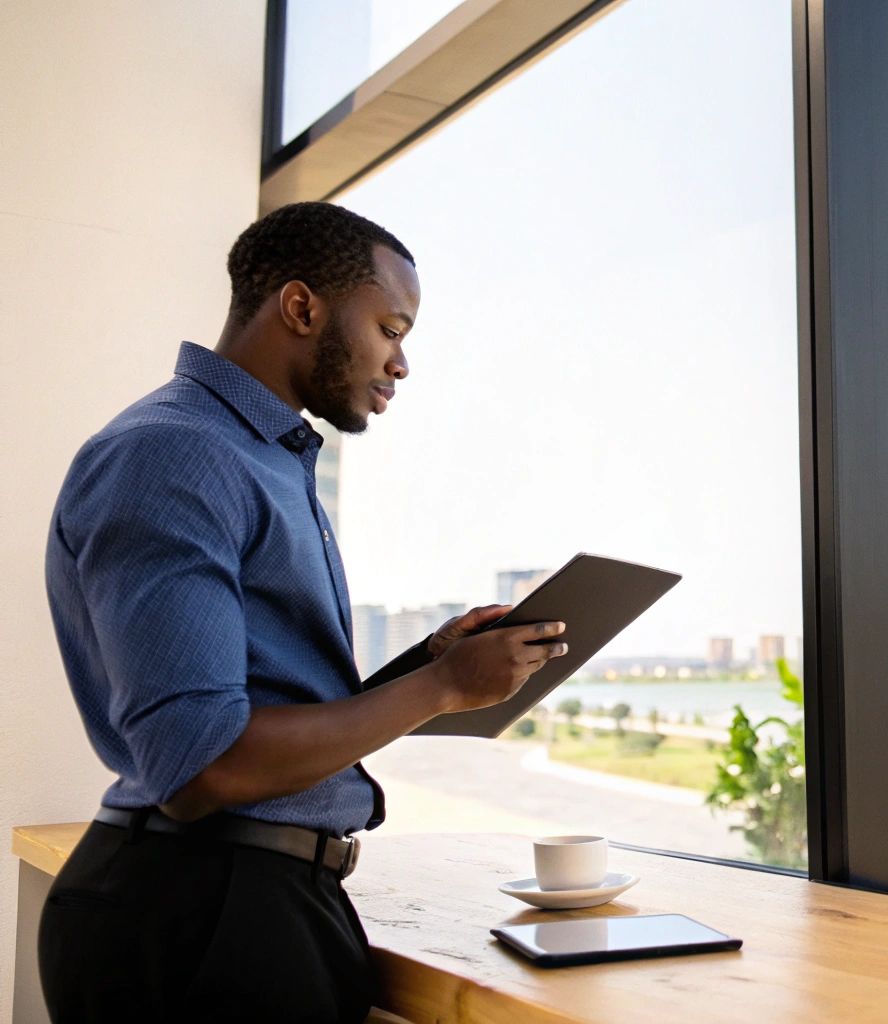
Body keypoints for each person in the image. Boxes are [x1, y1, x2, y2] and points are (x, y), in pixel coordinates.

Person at [39, 202, 563, 1022]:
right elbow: (199, 764)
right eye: (391, 328)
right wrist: (444, 690)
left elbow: (267, 702)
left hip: (253, 904)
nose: (401, 363)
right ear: (301, 307)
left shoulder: (260, 456)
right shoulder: (177, 453)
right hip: (201, 916)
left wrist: (430, 664)